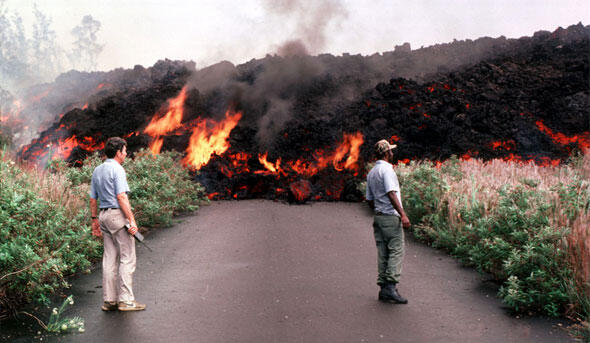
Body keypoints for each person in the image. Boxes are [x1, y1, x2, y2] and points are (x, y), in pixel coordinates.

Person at [89, 137, 146, 311]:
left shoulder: (97, 170)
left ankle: (109, 300)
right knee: (127, 257)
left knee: (109, 258)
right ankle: (126, 300)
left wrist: (94, 221)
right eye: (125, 150)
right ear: (118, 152)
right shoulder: (118, 169)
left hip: (103, 216)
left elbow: (93, 199)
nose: (126, 153)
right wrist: (132, 220)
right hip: (117, 215)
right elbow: (121, 197)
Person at [365, 139, 411, 304]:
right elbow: (391, 193)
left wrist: (378, 208)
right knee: (396, 251)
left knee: (383, 252)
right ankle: (391, 287)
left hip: (378, 217)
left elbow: (369, 199)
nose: (392, 153)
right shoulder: (387, 170)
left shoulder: (371, 173)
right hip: (391, 217)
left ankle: (384, 289)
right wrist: (403, 215)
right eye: (390, 151)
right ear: (386, 153)